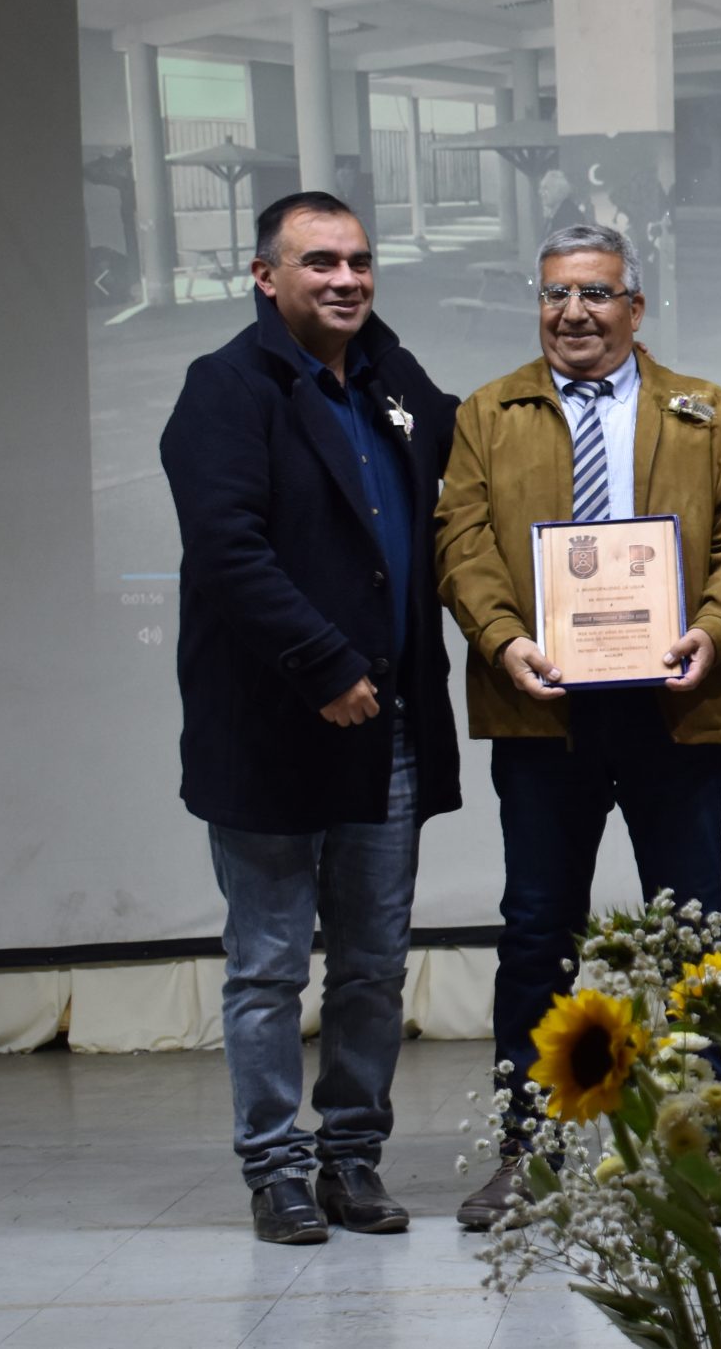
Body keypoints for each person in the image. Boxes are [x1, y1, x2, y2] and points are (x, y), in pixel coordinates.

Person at [438, 224, 721, 1228]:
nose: (573, 313)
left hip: (677, 707)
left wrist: (714, 633)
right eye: (555, 295)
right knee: (538, 929)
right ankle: (527, 1149)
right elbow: (461, 547)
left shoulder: (705, 410)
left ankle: (704, 1149)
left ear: (637, 304)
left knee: (694, 936)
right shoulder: (486, 413)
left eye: (595, 293)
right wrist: (506, 643)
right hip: (541, 711)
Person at [159, 190, 462, 1244]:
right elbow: (230, 551)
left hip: (387, 730)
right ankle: (275, 1167)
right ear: (265, 276)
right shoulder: (225, 390)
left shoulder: (393, 377)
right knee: (270, 966)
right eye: (320, 262)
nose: (345, 279)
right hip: (275, 734)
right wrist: (324, 661)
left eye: (359, 261)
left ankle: (351, 1158)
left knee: (375, 963)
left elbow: (470, 474)